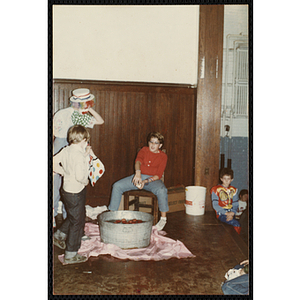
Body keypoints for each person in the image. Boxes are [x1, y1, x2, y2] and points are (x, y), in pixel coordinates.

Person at [53, 88, 104, 226]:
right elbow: (100, 121)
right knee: (68, 184)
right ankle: (66, 217)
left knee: (57, 183)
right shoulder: (77, 116)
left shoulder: (62, 113)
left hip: (61, 145)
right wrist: (90, 109)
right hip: (69, 146)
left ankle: (58, 216)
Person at [53, 125, 96, 264]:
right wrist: (86, 181)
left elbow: (53, 162)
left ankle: (59, 235)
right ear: (84, 140)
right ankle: (70, 254)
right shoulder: (79, 156)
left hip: (66, 190)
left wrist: (63, 172)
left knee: (75, 215)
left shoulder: (66, 150)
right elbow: (80, 176)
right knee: (77, 223)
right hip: (76, 191)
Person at [108, 132, 168, 231]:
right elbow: (138, 161)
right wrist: (138, 173)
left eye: (156, 143)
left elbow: (159, 175)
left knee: (162, 190)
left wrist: (145, 181)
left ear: (160, 145)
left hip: (153, 180)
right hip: (138, 176)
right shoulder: (144, 150)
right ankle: (111, 214)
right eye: (151, 142)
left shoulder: (163, 156)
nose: (153, 145)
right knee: (117, 186)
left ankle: (163, 219)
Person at [211, 168, 241, 234]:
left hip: (231, 212)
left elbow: (235, 203)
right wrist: (226, 213)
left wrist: (232, 212)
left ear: (232, 179)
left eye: (228, 179)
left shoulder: (234, 190)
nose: (226, 181)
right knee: (236, 224)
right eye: (224, 178)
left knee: (235, 224)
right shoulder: (216, 189)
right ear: (221, 179)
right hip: (221, 213)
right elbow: (215, 205)